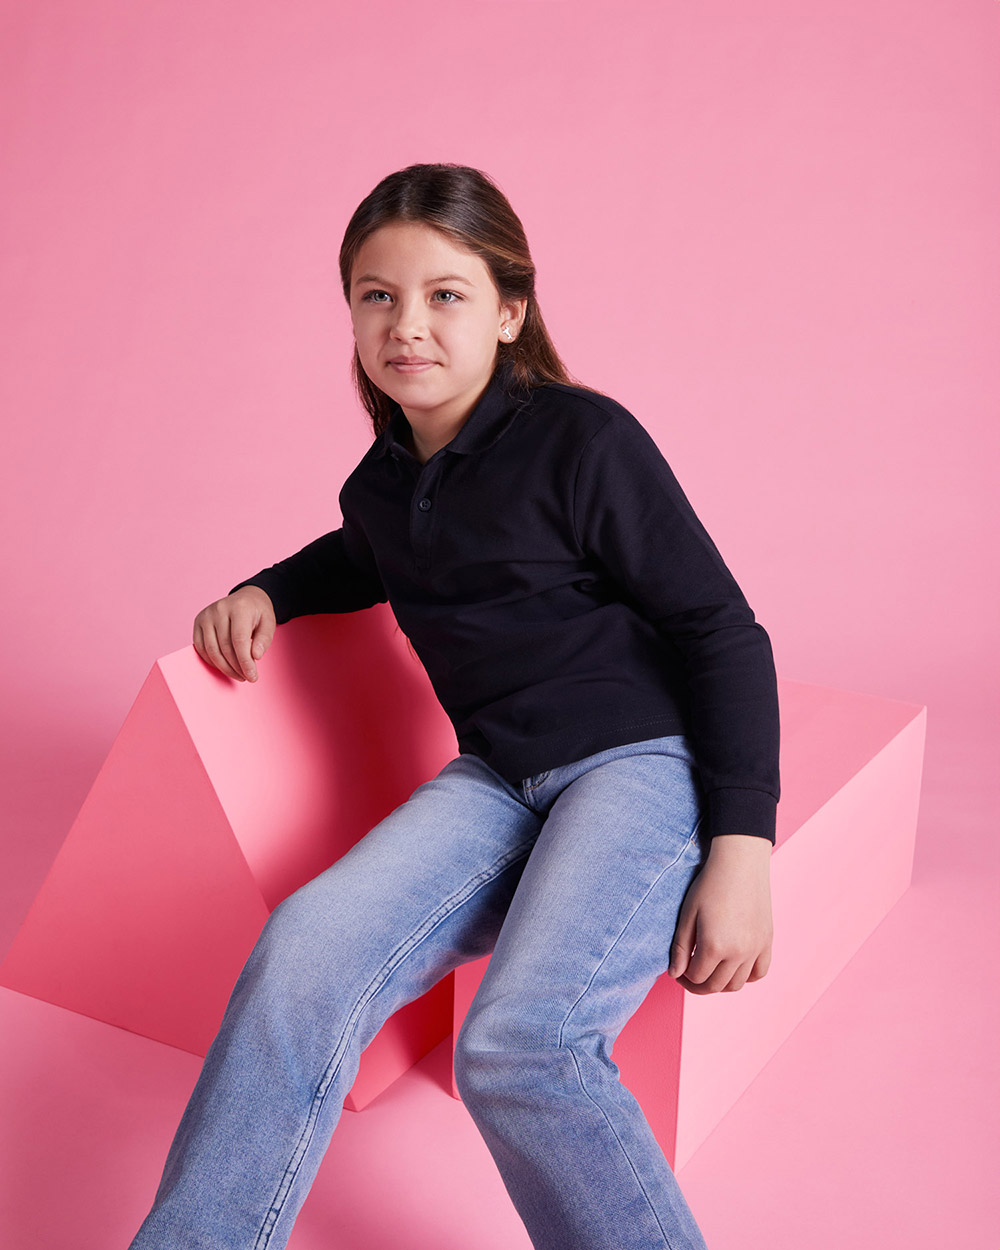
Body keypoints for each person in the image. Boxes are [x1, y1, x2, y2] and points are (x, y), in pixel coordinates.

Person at [128, 162, 779, 1250]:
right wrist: (267, 591)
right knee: (302, 953)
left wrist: (744, 846)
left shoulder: (583, 438)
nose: (408, 325)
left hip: (635, 761)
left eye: (445, 295)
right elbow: (358, 555)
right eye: (377, 296)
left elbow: (722, 629)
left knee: (522, 1046)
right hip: (497, 780)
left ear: (509, 312)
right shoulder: (383, 483)